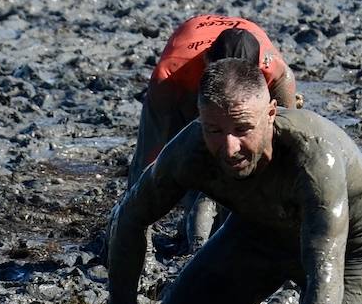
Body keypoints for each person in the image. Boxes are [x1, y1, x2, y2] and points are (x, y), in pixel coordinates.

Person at [100, 58, 362, 304]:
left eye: (243, 129)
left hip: (348, 250)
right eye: (214, 130)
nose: (229, 148)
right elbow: (127, 218)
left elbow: (326, 271)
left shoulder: (313, 157)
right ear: (200, 119)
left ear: (271, 114)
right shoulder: (189, 151)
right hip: (259, 233)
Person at [129, 15, 301, 250]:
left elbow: (288, 147)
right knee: (185, 154)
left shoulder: (275, 71)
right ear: (207, 60)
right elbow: (148, 158)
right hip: (187, 83)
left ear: (258, 72)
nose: (229, 92)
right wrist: (135, 233)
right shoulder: (170, 75)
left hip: (252, 74)